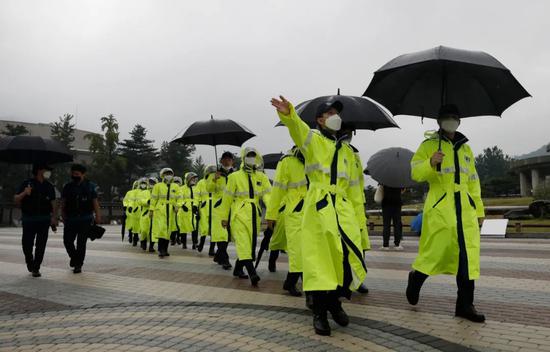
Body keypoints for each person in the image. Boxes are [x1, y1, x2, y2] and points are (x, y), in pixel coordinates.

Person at [271, 96, 367, 336]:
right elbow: (298, 129)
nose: (336, 116)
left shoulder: (348, 151)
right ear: (320, 120)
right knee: (319, 262)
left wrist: (360, 222)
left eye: (338, 112)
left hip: (343, 211)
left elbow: (355, 190)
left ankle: (335, 303)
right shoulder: (312, 141)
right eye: (330, 113)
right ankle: (320, 312)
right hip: (318, 208)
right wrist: (289, 114)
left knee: (344, 260)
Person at [407, 104, 486, 323]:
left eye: (455, 117)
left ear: (459, 121)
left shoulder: (465, 148)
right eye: (447, 117)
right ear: (439, 121)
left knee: (467, 259)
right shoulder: (429, 145)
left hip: (465, 212)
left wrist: (479, 210)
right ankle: (416, 278)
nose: (451, 120)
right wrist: (430, 163)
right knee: (435, 253)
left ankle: (465, 305)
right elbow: (415, 172)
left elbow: (473, 181)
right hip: (442, 210)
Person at [220, 147, 271, 286]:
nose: (251, 158)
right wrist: (224, 217)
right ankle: (252, 272)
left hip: (255, 215)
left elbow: (268, 195)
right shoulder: (234, 177)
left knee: (249, 245)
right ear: (243, 157)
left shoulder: (261, 177)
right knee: (243, 243)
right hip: (239, 214)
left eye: (254, 156)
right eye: (249, 155)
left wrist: (272, 214)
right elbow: (227, 199)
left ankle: (237, 269)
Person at [266, 146, 307, 297]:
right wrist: (271, 214)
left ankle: (290, 282)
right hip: (294, 211)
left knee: (309, 252)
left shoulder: (317, 156)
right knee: (298, 251)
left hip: (314, 211)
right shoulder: (287, 162)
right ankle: (309, 294)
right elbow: (277, 190)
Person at [340, 124, 370, 294]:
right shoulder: (333, 151)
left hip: (357, 205)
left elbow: (359, 182)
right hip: (343, 205)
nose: (348, 134)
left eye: (351, 131)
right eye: (345, 131)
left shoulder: (355, 153)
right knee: (344, 245)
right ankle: (345, 281)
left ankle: (358, 279)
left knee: (360, 245)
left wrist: (363, 204)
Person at [14, 164, 58, 277]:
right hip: (29, 219)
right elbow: (16, 200)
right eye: (46, 170)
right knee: (26, 244)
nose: (48, 172)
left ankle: (36, 267)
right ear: (39, 171)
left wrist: (54, 217)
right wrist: (25, 193)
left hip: (44, 219)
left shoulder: (49, 186)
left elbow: (53, 202)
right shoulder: (27, 183)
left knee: (41, 244)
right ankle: (29, 260)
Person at [61, 164, 101, 274]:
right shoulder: (68, 187)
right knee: (67, 241)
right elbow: (63, 203)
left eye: (77, 174)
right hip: (70, 219)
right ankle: (74, 258)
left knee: (81, 243)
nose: (74, 176)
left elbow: (95, 203)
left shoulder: (90, 186)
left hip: (85, 219)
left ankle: (78, 264)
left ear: (83, 174)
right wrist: (61, 216)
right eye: (73, 174)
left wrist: (98, 216)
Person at [209, 152, 235, 269]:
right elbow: (208, 189)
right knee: (221, 234)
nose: (227, 161)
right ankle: (225, 260)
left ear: (232, 161)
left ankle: (218, 255)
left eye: (229, 159)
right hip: (219, 208)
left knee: (228, 234)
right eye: (224, 159)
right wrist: (214, 179)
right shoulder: (215, 174)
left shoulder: (235, 174)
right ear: (221, 161)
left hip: (232, 207)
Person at [150, 168, 178, 258]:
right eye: (167, 174)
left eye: (170, 173)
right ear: (163, 175)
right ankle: (161, 250)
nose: (168, 175)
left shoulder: (176, 186)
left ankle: (165, 249)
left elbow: (180, 198)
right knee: (162, 229)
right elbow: (153, 199)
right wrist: (151, 210)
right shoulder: (158, 186)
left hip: (171, 210)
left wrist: (177, 205)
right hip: (160, 209)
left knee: (168, 231)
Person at [178, 172, 199, 250]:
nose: (193, 180)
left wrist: (195, 206)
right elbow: (180, 198)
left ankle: (195, 243)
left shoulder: (196, 188)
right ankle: (184, 243)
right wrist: (183, 205)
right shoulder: (182, 188)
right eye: (192, 178)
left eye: (194, 178)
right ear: (188, 179)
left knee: (194, 227)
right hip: (184, 211)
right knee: (183, 228)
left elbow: (197, 198)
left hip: (193, 210)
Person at [380, 185, 404, 251]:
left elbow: (381, 189)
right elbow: (402, 190)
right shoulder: (399, 180)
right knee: (397, 225)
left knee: (386, 225)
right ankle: (397, 244)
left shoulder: (384, 179)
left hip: (386, 204)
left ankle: (385, 245)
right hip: (397, 203)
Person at [135, 178, 152, 251]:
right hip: (144, 213)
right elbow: (140, 201)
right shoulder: (143, 192)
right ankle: (143, 241)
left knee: (152, 230)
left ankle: (151, 246)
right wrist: (147, 202)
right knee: (144, 230)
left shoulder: (157, 192)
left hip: (155, 214)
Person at [123, 181, 141, 246]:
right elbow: (125, 200)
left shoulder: (141, 192)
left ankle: (135, 237)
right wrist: (125, 206)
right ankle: (131, 235)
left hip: (138, 211)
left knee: (136, 225)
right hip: (130, 211)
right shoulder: (129, 193)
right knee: (131, 224)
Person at [170, 176, 183, 245]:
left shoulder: (181, 190)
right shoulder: (170, 189)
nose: (177, 184)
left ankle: (178, 238)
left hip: (179, 209)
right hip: (171, 209)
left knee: (179, 225)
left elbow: (182, 199)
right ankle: (172, 239)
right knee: (173, 225)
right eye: (175, 182)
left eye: (178, 182)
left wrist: (179, 206)